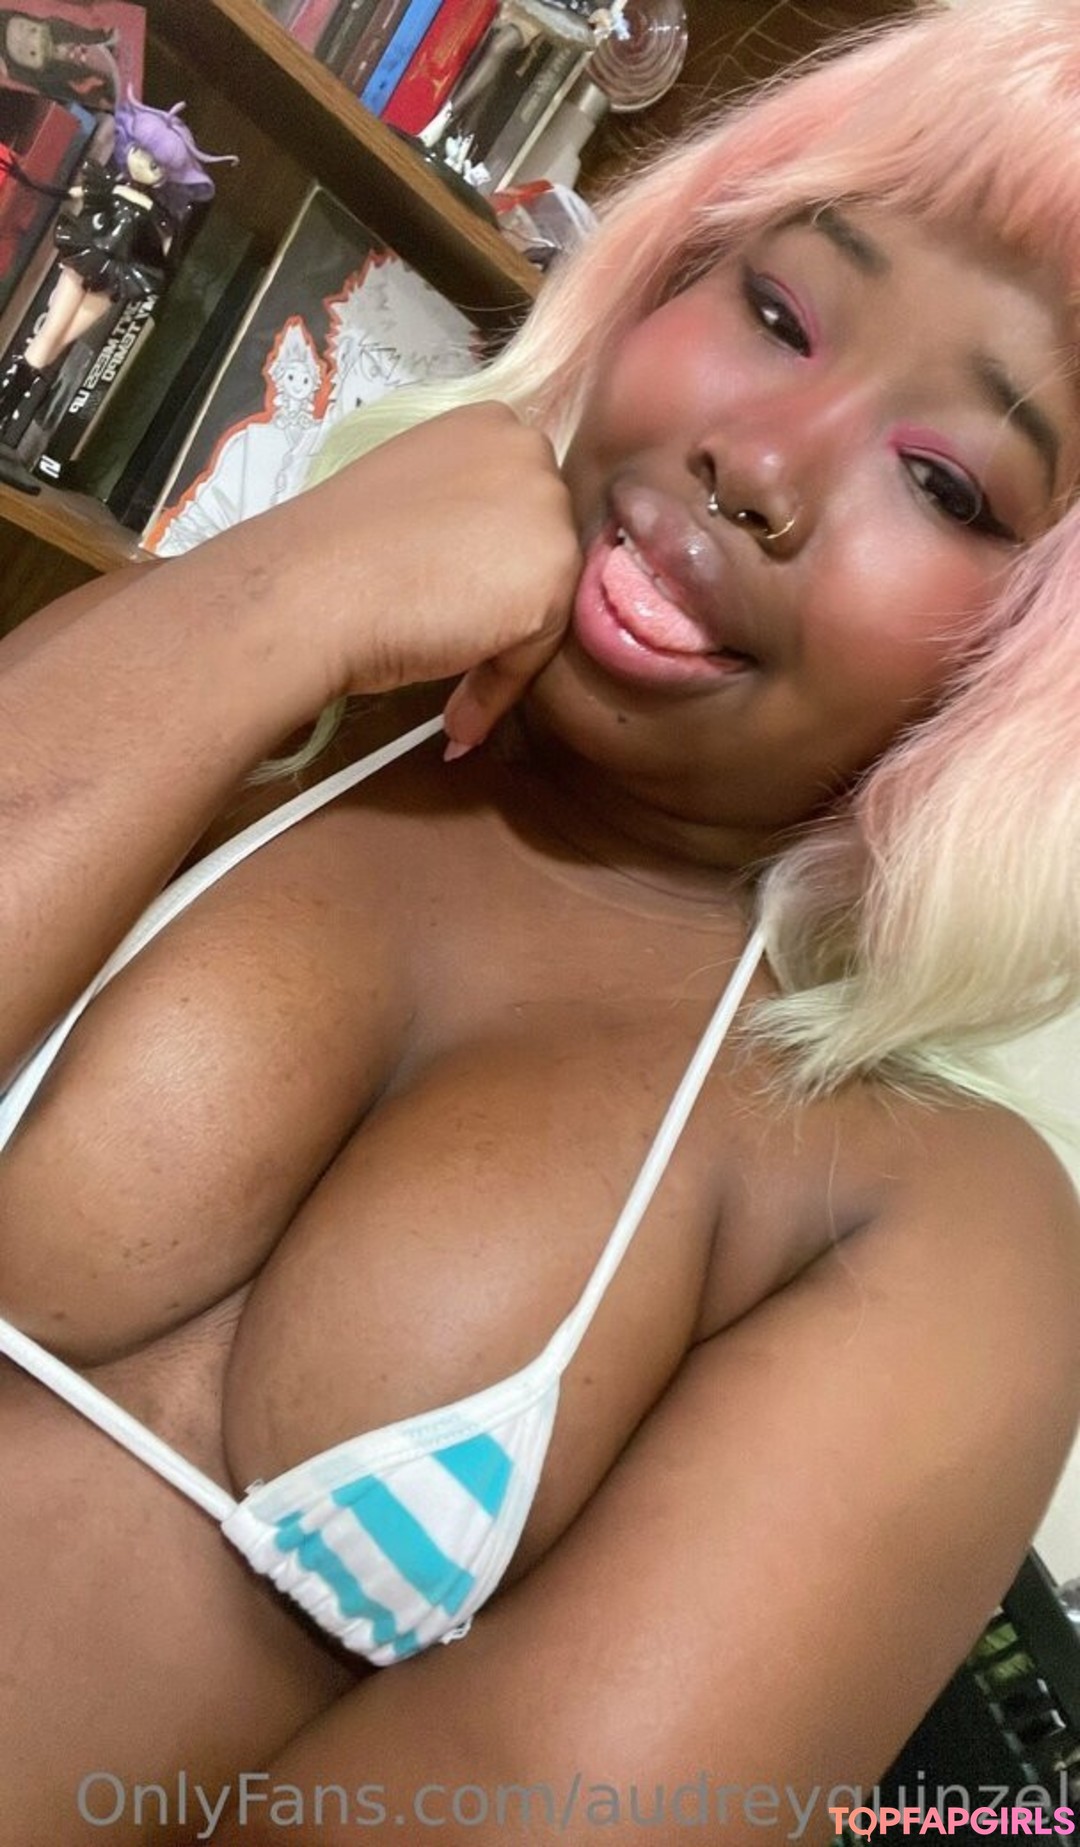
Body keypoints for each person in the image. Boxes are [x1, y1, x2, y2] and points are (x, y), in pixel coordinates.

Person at [1, 0, 1079, 1841]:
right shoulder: (228, 699)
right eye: (776, 310)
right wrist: (275, 598)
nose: (763, 462)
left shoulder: (930, 1218)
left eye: (947, 483)